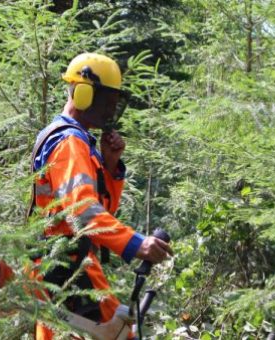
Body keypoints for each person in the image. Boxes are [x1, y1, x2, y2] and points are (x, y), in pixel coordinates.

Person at [29, 53, 173, 339]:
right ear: (83, 94)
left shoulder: (76, 140)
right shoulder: (70, 142)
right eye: (105, 102)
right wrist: (135, 244)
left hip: (57, 269)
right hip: (68, 270)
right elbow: (82, 212)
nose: (110, 111)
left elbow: (100, 209)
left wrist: (109, 167)